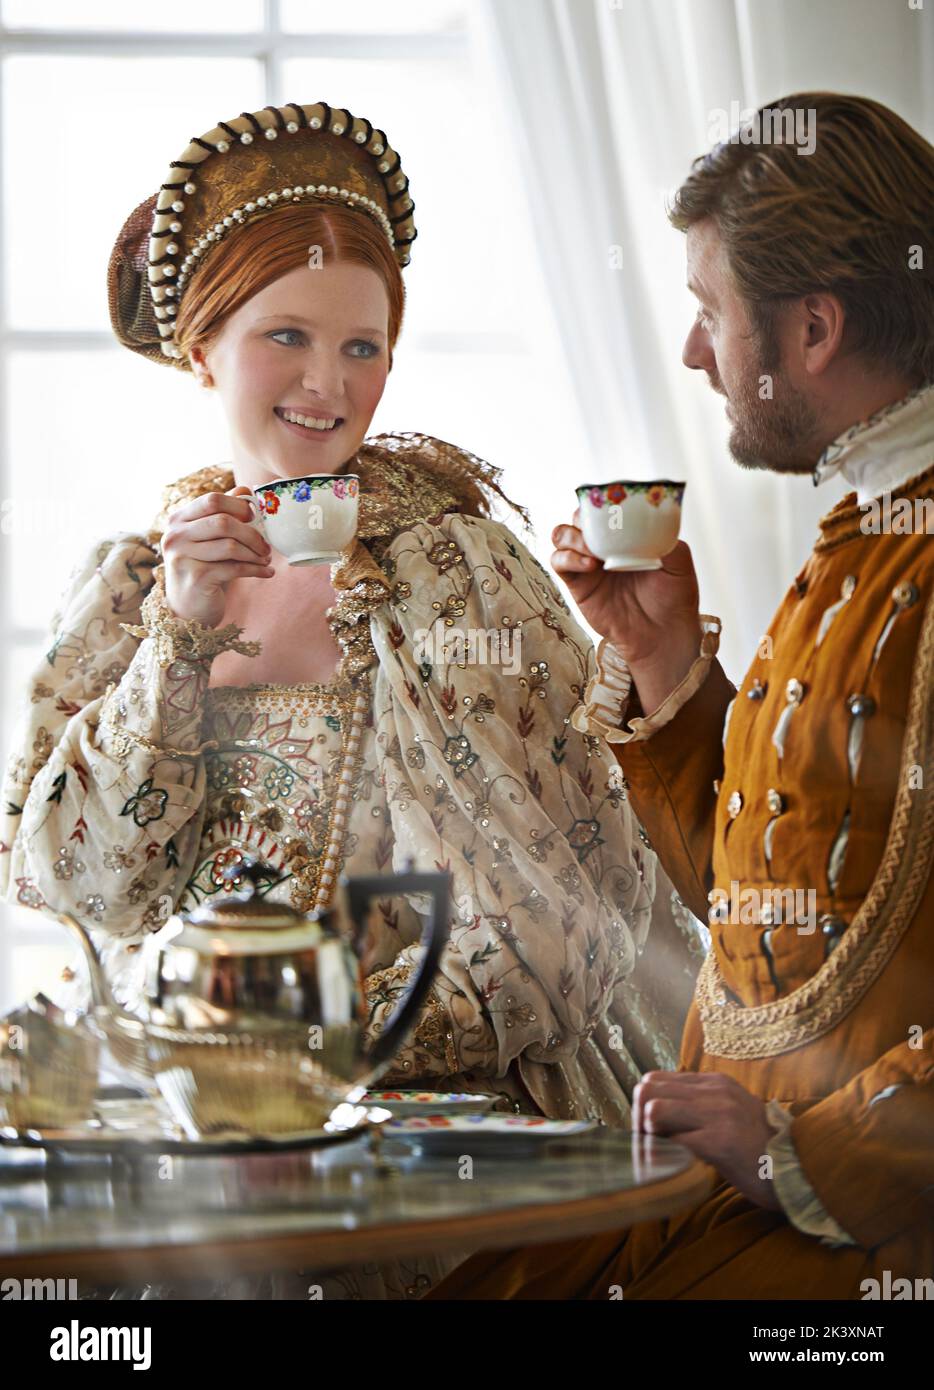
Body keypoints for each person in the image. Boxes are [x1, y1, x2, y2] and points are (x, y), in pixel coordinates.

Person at [0, 99, 698, 1299]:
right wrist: (176, 644)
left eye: (363, 346)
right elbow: (78, 880)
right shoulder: (128, 594)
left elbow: (565, 922)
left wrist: (315, 1061)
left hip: (452, 1142)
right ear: (202, 347)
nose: (331, 384)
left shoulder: (457, 571)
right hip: (207, 1132)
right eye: (288, 337)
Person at [429, 91, 934, 1299]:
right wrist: (661, 661)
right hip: (735, 1183)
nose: (696, 352)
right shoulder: (863, 533)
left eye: (710, 311)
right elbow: (772, 898)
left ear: (812, 328)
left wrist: (801, 1157)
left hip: (873, 1231)